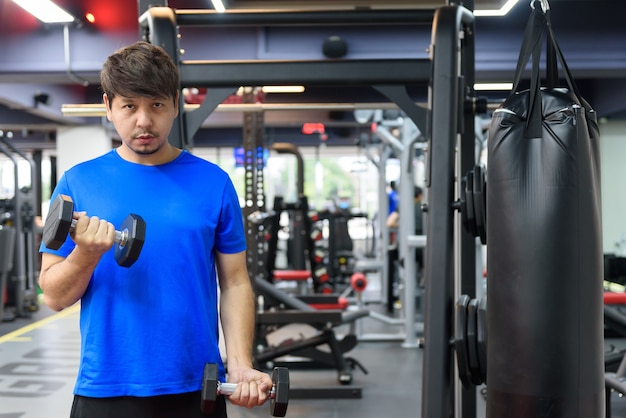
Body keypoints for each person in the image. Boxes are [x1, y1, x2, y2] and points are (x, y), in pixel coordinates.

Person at [37, 41, 272, 418]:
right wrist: (86, 254)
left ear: (175, 105)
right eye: (129, 106)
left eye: (156, 106)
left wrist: (240, 363)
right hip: (106, 387)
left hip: (197, 386)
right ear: (109, 106)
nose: (144, 121)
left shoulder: (214, 183)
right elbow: (53, 295)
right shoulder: (77, 183)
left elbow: (235, 283)